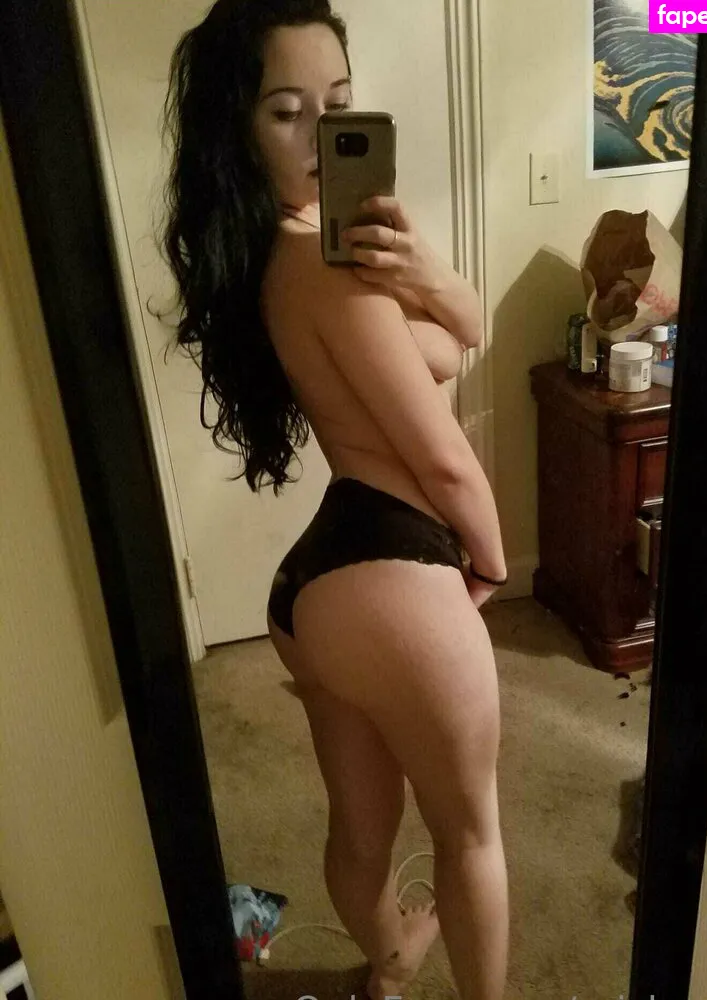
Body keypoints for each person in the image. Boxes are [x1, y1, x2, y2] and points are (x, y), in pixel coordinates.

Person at [161, 2, 509, 998]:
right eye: (286, 111)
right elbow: (443, 460)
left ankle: (384, 972)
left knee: (361, 830)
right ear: (237, 130)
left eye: (339, 105)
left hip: (320, 584)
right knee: (470, 835)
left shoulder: (299, 255)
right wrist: (491, 558)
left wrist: (426, 269)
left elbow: (455, 340)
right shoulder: (323, 268)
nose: (320, 135)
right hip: (395, 570)